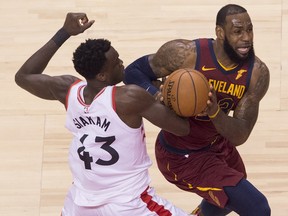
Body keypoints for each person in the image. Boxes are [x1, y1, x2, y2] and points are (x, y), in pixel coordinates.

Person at [14, 12, 196, 216]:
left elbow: (24, 76)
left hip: (80, 204)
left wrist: (64, 33)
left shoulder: (68, 90)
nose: (121, 62)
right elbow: (183, 129)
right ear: (101, 75)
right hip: (127, 203)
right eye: (116, 61)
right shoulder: (129, 97)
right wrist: (164, 96)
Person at [124, 4, 271, 216]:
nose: (246, 38)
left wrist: (214, 111)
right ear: (220, 33)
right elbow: (133, 72)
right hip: (182, 155)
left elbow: (240, 134)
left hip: (218, 145)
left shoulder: (257, 74)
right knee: (257, 207)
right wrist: (157, 95)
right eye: (238, 32)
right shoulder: (186, 54)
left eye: (250, 29)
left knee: (230, 197)